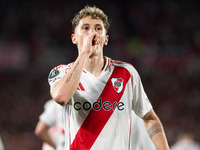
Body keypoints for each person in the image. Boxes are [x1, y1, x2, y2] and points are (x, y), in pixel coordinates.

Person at [48, 5, 170, 150]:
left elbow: (149, 117)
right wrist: (85, 52)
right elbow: (61, 97)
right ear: (74, 38)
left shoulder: (126, 73)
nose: (92, 33)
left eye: (98, 28)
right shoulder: (61, 72)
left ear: (105, 39)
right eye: (85, 28)